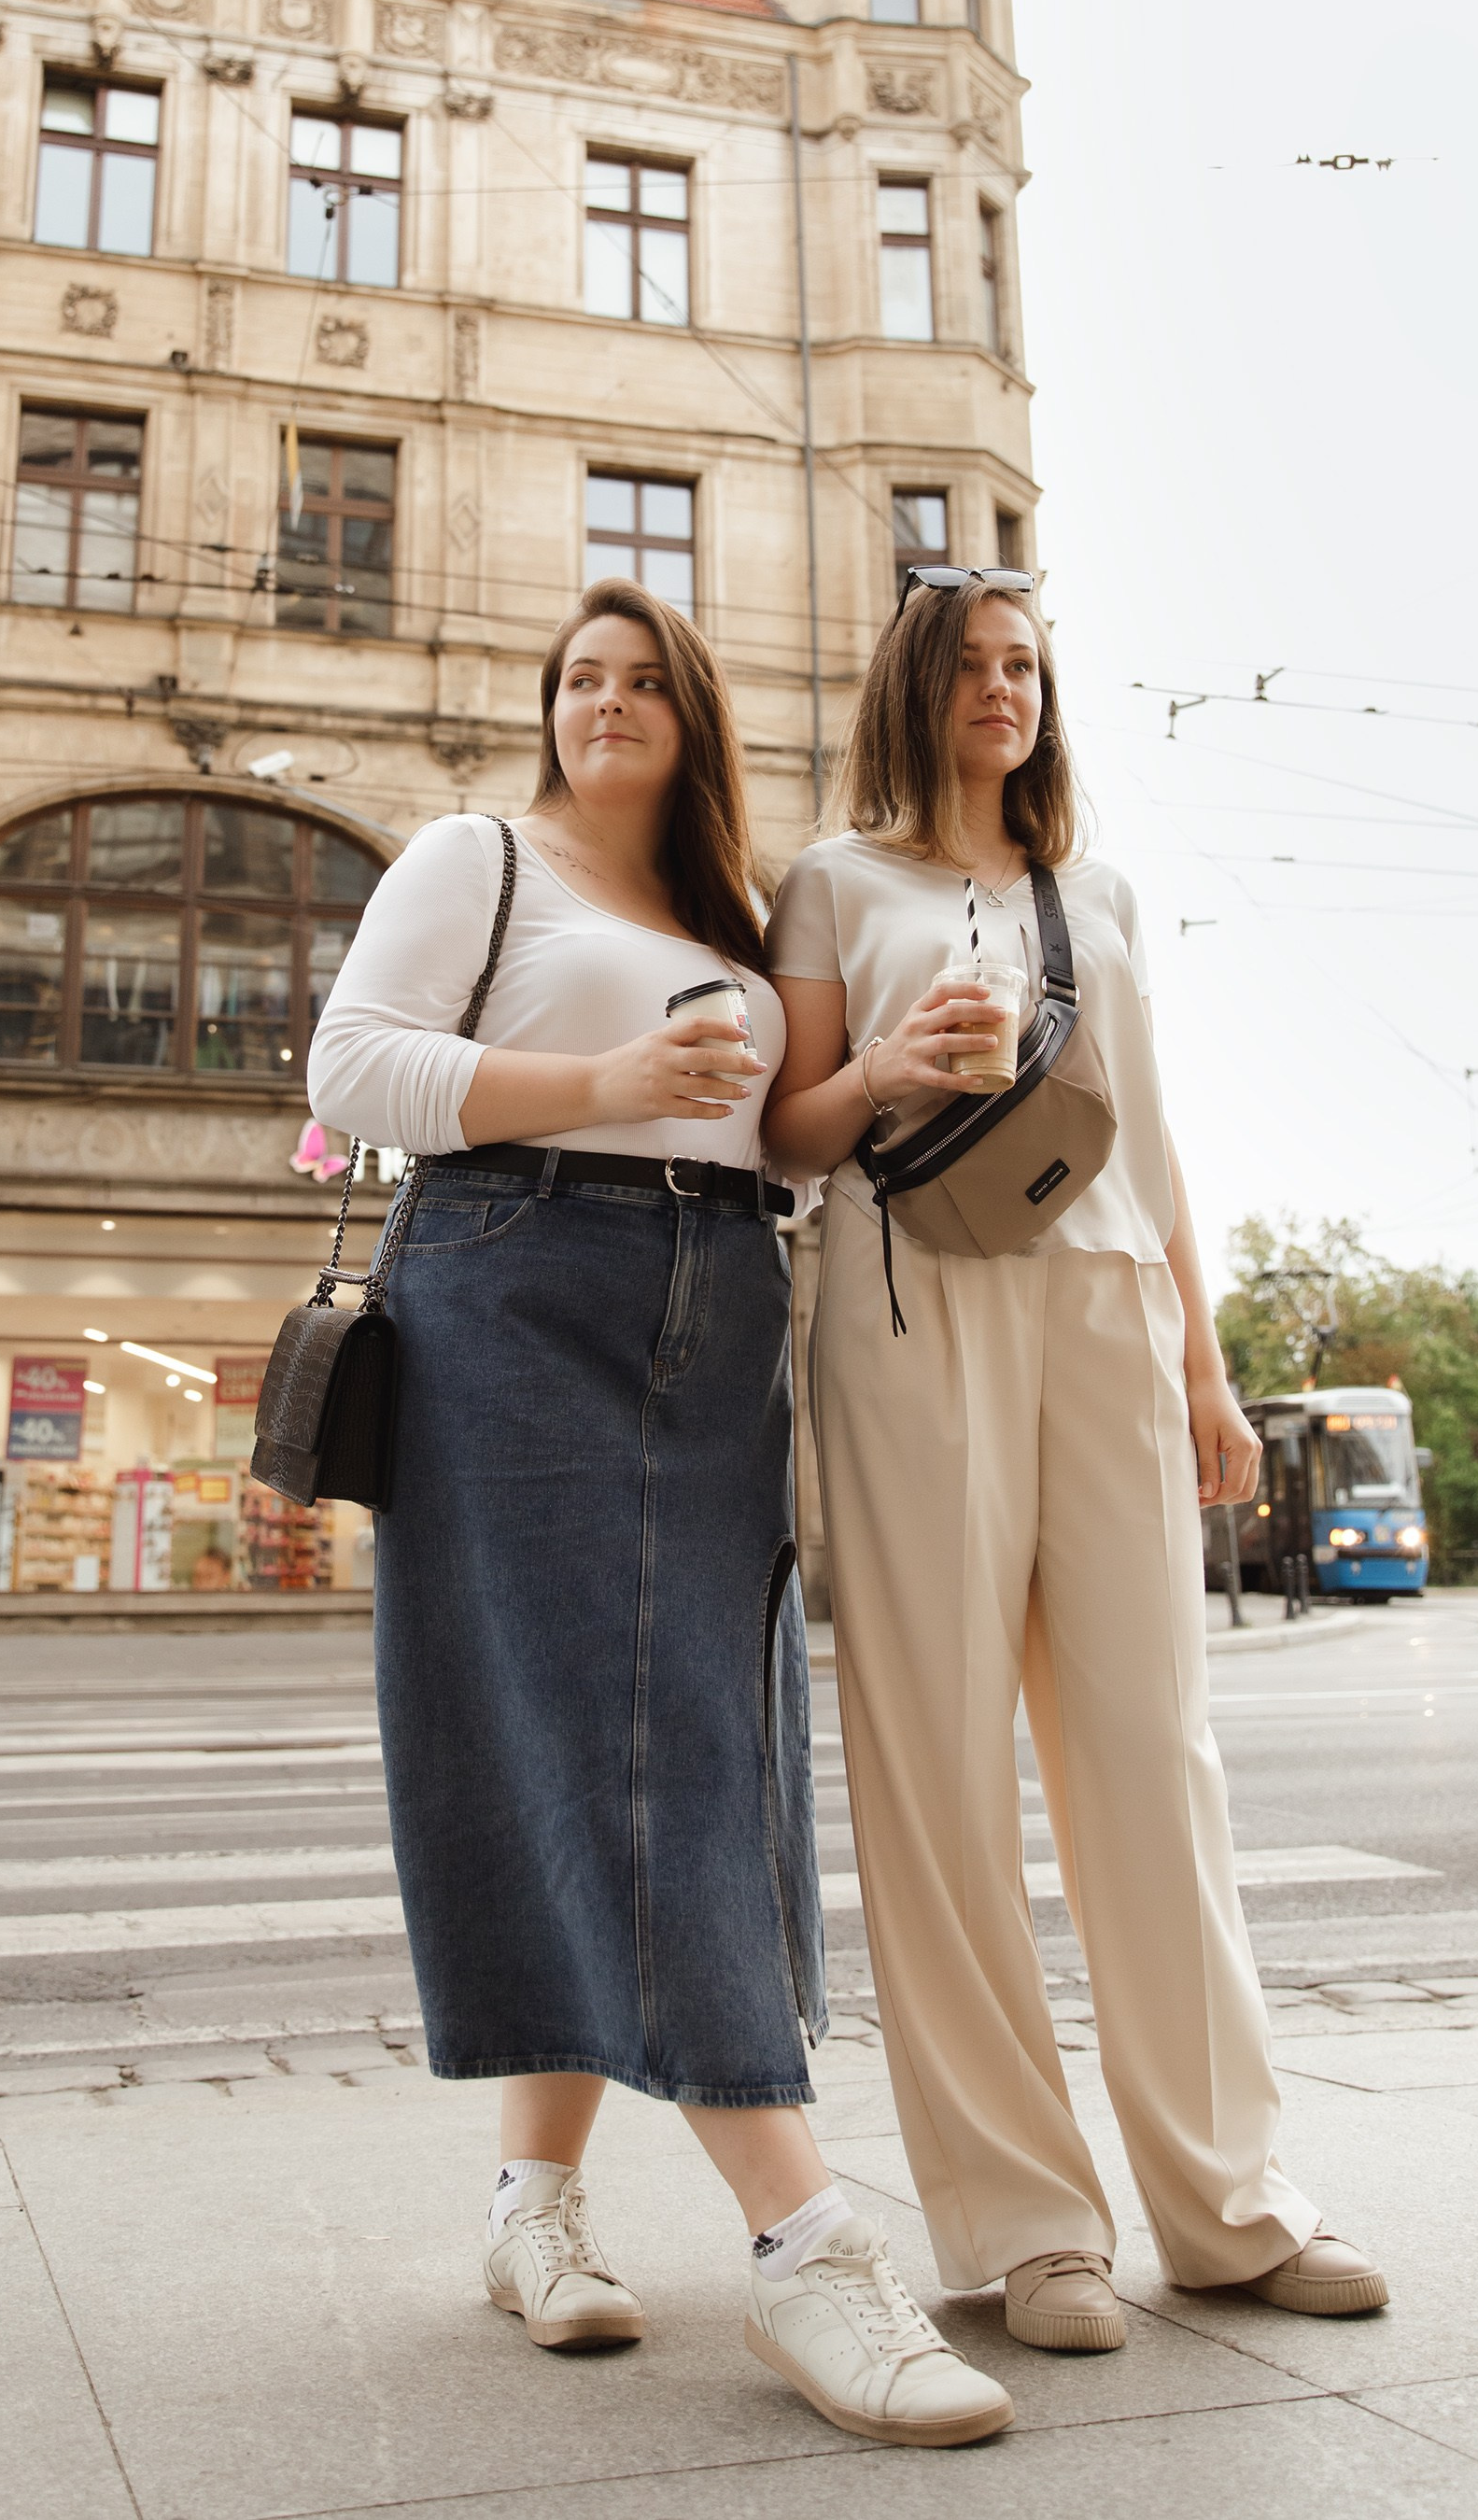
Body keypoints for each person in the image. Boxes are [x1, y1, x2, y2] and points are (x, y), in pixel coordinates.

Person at [308, 579, 1012, 2448]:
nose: (598, 702)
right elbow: (353, 1066)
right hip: (518, 1287)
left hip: (716, 1307)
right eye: (573, 678)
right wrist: (605, 1077)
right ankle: (802, 2240)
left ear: (691, 717)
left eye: (636, 682)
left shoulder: (721, 909)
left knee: (654, 1741)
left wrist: (881, 1070)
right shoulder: (478, 855)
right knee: (640, 1753)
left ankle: (529, 2203)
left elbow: (780, 1133)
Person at [763, 568, 1387, 2350]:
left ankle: (1228, 2203)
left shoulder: (1089, 893)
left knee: (1150, 1756)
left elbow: (1154, 1141)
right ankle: (1027, 2227)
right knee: (936, 1764)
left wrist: (1207, 1362)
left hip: (1104, 1314)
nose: (1003, 689)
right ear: (911, 687)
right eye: (969, 663)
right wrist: (888, 1063)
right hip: (901, 1316)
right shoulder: (829, 881)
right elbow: (788, 1128)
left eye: (1026, 665)